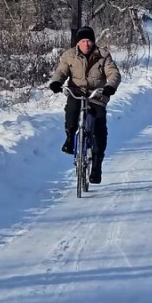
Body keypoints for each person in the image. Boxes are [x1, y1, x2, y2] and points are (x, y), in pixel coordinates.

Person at [49, 26, 121, 184]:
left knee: (99, 127)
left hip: (96, 95)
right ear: (78, 43)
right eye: (83, 41)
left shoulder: (103, 55)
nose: (86, 44)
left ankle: (96, 166)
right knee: (71, 111)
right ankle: (70, 139)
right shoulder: (69, 55)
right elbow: (61, 71)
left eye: (89, 41)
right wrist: (56, 82)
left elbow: (113, 73)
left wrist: (110, 87)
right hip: (77, 92)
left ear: (93, 42)